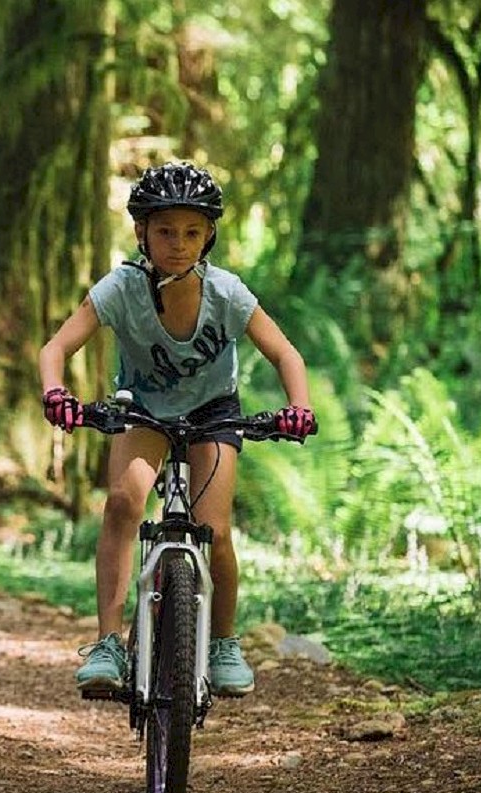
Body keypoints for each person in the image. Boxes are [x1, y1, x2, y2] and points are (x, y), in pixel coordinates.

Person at [37, 162, 316, 699]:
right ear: (142, 232)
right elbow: (56, 348)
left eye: (192, 232)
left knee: (215, 531)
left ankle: (224, 643)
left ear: (209, 234)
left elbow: (285, 352)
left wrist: (297, 405)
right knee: (123, 501)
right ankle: (108, 643)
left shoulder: (228, 293)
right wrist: (56, 394)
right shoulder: (121, 289)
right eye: (165, 231)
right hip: (143, 412)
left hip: (214, 413)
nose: (178, 244)